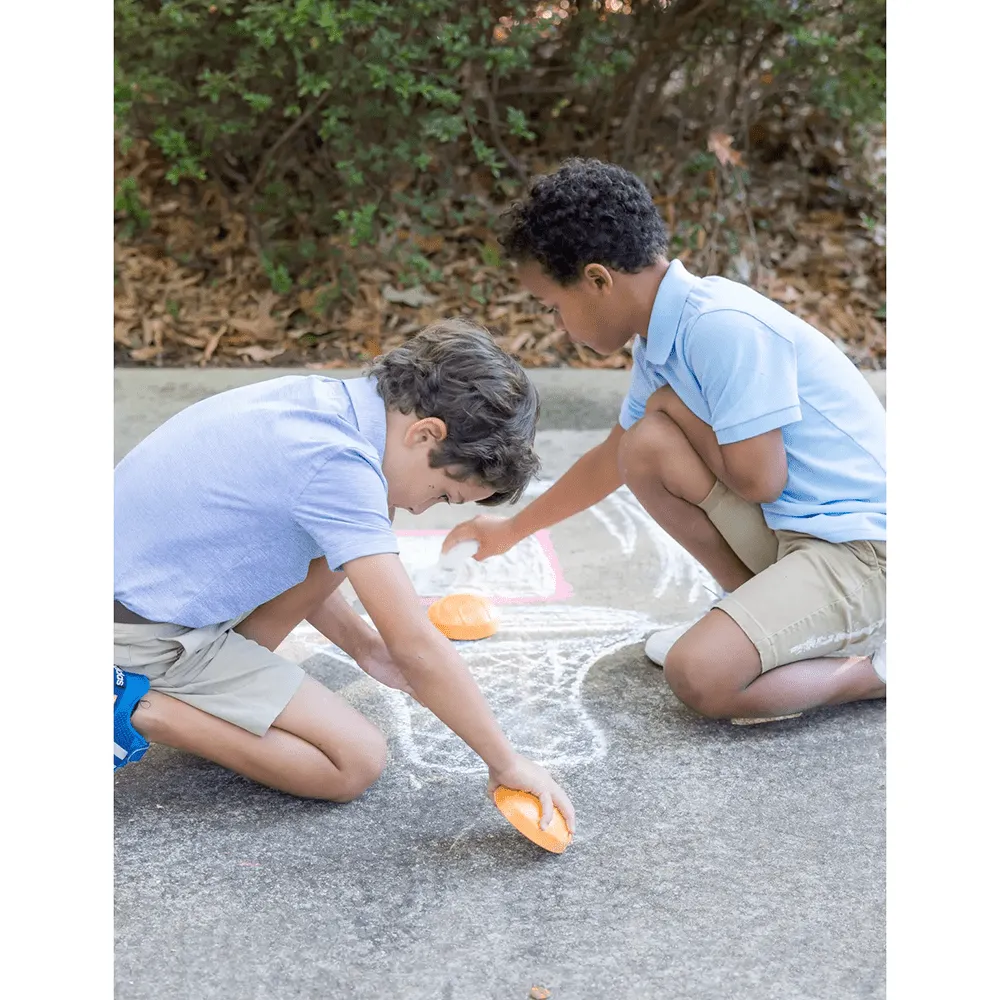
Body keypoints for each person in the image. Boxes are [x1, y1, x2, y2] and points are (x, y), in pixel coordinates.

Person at [443, 158, 886, 722]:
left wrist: (672, 405)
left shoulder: (723, 326)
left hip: (865, 555)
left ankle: (877, 671)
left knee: (700, 676)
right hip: (794, 533)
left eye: (553, 305)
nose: (557, 324)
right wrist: (511, 529)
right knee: (645, 446)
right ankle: (753, 617)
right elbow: (613, 459)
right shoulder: (660, 337)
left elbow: (759, 478)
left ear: (599, 279)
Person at [114, 319, 575, 831]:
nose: (428, 510)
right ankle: (134, 706)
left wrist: (365, 647)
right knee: (353, 761)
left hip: (141, 593)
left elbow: (307, 555)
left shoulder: (328, 405)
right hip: (140, 637)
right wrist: (505, 762)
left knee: (379, 510)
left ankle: (187, 690)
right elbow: (416, 644)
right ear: (426, 433)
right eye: (444, 493)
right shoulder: (340, 468)